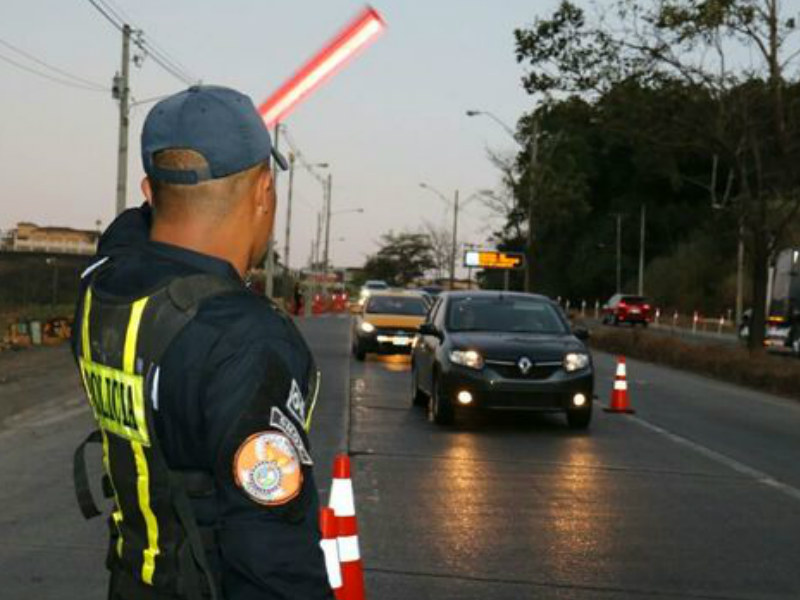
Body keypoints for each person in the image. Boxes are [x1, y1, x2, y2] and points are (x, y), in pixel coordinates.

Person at [71, 85, 332, 600]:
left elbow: (126, 232)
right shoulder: (247, 338)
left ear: (148, 189)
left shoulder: (104, 284)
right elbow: (272, 563)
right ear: (264, 191)